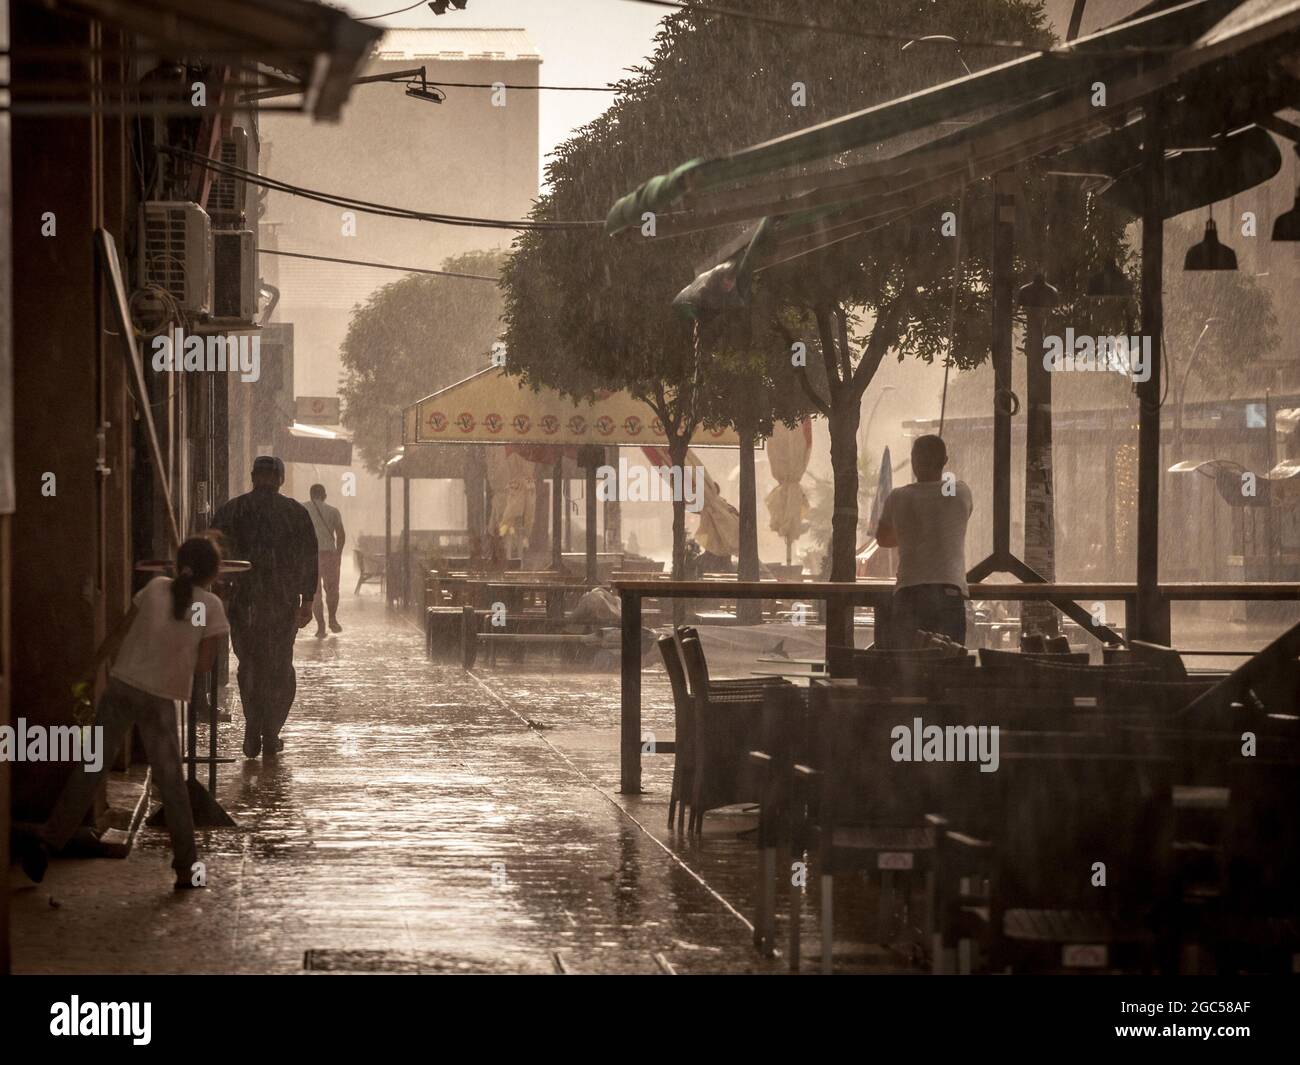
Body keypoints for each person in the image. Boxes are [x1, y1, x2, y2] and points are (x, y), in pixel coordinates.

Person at [22, 537, 228, 890]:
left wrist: (90, 671)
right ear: (213, 574)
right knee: (173, 786)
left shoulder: (154, 588)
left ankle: (48, 840)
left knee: (91, 768)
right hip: (159, 698)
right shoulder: (211, 606)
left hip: (121, 685)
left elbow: (119, 632)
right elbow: (203, 667)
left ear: (179, 566)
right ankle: (186, 866)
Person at [210, 456, 317, 759]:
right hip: (281, 602)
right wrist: (307, 599)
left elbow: (214, 551)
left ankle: (253, 723)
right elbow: (309, 556)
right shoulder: (295, 513)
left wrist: (219, 592)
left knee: (249, 664)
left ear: (253, 476)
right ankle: (270, 731)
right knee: (279, 667)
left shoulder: (232, 511)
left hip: (242, 602)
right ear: (280, 479)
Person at [874, 434, 973, 646]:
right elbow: (954, 512)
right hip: (949, 591)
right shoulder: (960, 492)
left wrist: (912, 535)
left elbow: (882, 539)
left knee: (910, 663)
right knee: (949, 660)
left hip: (910, 591)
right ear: (945, 460)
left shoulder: (898, 497)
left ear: (913, 460)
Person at [306, 483, 346, 638]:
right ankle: (333, 619)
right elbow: (341, 534)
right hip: (329, 555)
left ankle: (320, 626)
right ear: (324, 496)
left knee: (315, 593)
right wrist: (338, 554)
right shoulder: (333, 511)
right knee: (332, 590)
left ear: (311, 495)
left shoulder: (303, 509)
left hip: (311, 556)